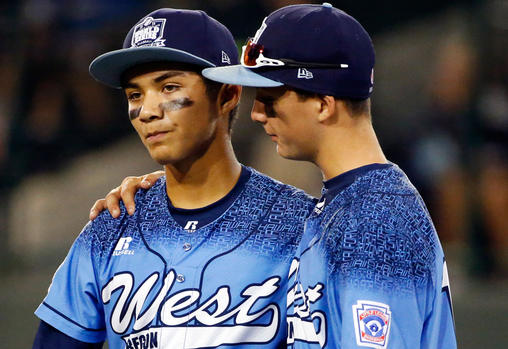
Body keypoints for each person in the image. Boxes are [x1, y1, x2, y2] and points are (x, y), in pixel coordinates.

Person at [91, 4, 457, 348]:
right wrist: (169, 185)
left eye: (270, 97)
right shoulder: (348, 201)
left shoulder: (374, 219)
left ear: (323, 104)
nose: (257, 113)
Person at [32, 8, 315, 349]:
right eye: (135, 95)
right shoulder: (112, 226)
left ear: (227, 95)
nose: (148, 111)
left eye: (168, 87)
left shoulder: (299, 225)